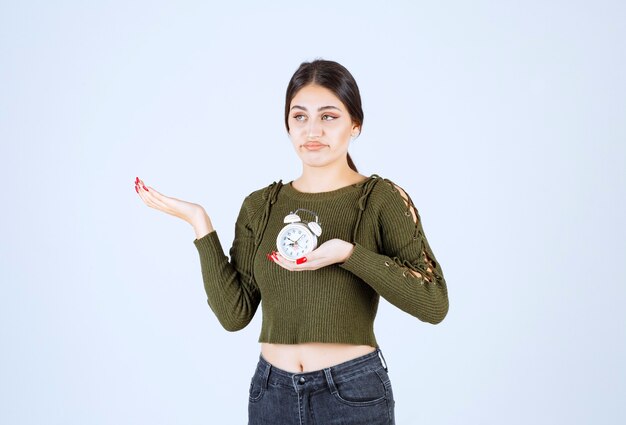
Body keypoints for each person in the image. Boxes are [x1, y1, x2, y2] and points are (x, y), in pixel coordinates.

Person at [134, 59, 449, 425]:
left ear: (355, 125)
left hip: (351, 393)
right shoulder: (260, 206)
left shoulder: (381, 199)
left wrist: (348, 254)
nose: (312, 130)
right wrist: (199, 223)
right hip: (272, 393)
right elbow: (234, 315)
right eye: (300, 117)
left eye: (328, 116)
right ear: (287, 124)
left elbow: (434, 302)